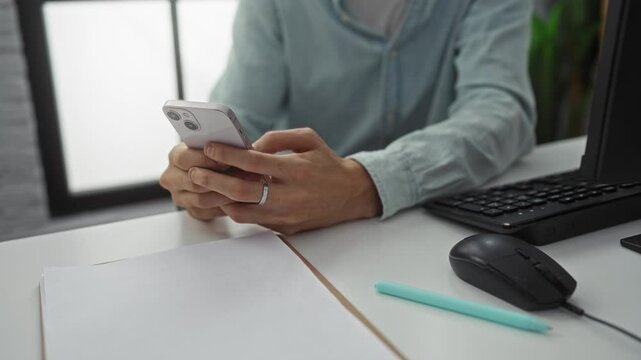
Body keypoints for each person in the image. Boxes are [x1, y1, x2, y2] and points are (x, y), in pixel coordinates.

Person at [160, 0, 536, 234]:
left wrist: (365, 183)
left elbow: (501, 109)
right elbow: (243, 114)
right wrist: (204, 175)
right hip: (304, 248)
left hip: (440, 230)